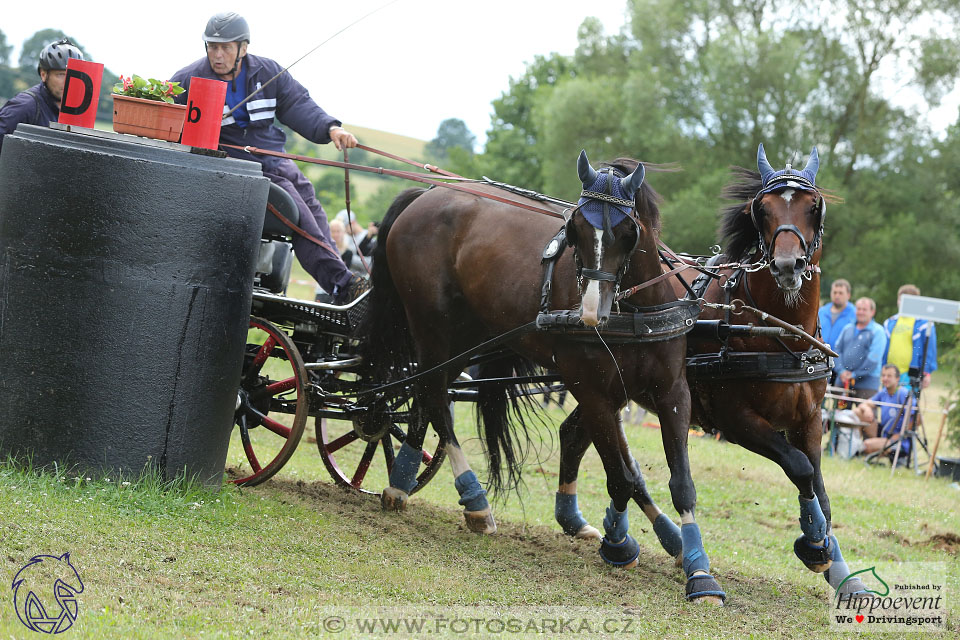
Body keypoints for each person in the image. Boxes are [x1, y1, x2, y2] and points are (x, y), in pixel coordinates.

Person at [170, 12, 367, 305]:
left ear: (243, 48)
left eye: (225, 47)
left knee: (314, 207)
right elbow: (165, 116)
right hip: (237, 169)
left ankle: (340, 287)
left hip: (276, 160)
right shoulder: (188, 80)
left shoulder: (268, 73)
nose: (218, 54)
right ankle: (343, 283)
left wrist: (331, 128)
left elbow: (299, 104)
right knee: (299, 215)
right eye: (212, 47)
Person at [0, 39, 84, 153]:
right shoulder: (25, 106)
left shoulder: (74, 111)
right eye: (61, 75)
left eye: (73, 75)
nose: (68, 81)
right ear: (44, 75)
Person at [883, 284, 937, 390]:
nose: (903, 303)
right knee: (888, 405)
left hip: (910, 375)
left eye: (908, 300)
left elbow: (930, 351)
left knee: (908, 405)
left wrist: (926, 373)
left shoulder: (924, 323)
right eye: (901, 299)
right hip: (889, 374)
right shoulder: (890, 322)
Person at [853, 364, 914, 458]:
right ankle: (854, 444)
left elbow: (916, 418)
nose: (885, 378)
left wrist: (900, 435)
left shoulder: (903, 393)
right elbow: (864, 404)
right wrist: (867, 409)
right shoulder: (884, 391)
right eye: (883, 375)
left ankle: (857, 449)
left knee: (867, 445)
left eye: (889, 376)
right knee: (858, 412)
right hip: (884, 432)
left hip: (898, 439)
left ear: (897, 379)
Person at [832, 297, 887, 399]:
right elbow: (837, 350)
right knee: (838, 414)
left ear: (872, 312)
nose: (861, 312)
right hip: (843, 380)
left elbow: (873, 359)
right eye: (859, 309)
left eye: (864, 309)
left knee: (864, 414)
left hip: (867, 384)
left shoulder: (878, 331)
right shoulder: (847, 328)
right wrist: (841, 371)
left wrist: (854, 374)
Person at [818, 278, 855, 350]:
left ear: (848, 295)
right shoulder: (821, 312)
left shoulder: (855, 314)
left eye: (840, 293)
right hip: (820, 357)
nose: (837, 296)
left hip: (842, 358)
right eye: (835, 292)